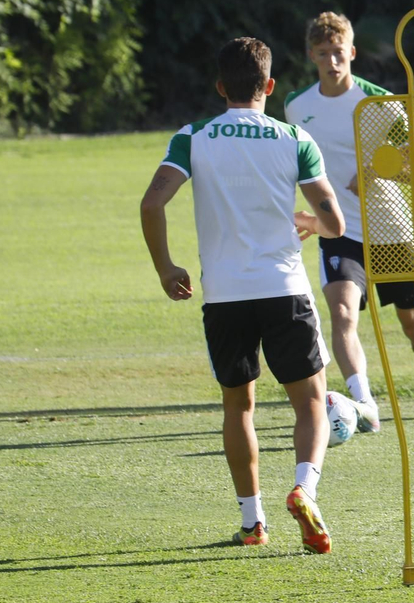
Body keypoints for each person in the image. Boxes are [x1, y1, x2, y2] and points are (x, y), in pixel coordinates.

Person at [139, 37, 346, 553]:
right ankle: (304, 488)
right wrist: (306, 222)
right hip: (284, 289)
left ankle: (253, 523)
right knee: (311, 402)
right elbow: (334, 222)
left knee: (239, 407)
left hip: (225, 295)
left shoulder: (194, 137)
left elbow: (151, 203)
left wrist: (166, 268)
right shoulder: (294, 138)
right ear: (270, 86)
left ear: (219, 86)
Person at [285, 11, 414, 424]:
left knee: (413, 323)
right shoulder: (296, 106)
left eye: (339, 52)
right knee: (342, 314)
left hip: (392, 229)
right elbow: (291, 166)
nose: (332, 62)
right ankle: (364, 403)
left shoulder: (378, 104)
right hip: (338, 230)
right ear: (311, 55)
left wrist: (375, 167)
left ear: (352, 52)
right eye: (323, 54)